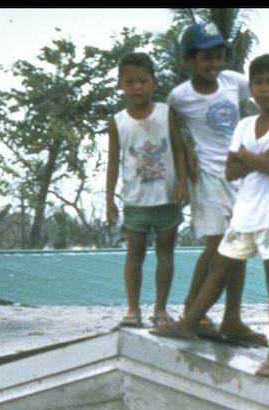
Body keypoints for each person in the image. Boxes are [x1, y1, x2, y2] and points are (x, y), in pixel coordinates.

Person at [151, 54, 269, 379]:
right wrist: (253, 158)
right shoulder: (245, 125)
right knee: (219, 268)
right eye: (258, 83)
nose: (263, 90)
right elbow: (232, 172)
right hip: (245, 213)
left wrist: (247, 155)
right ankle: (189, 324)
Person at [167, 22, 265, 344]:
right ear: (189, 60)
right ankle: (191, 309)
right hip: (207, 177)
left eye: (218, 57)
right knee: (217, 245)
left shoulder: (233, 82)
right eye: (206, 58)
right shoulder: (179, 96)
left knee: (239, 247)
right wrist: (187, 149)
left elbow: (266, 95)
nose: (214, 64)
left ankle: (232, 317)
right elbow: (169, 130)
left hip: (238, 174)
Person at [105, 51, 189, 329]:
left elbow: (179, 148)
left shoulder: (167, 114)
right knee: (134, 254)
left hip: (166, 199)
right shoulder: (118, 121)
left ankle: (161, 309)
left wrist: (182, 184)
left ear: (154, 83)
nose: (137, 87)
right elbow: (113, 162)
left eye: (143, 81)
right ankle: (132, 309)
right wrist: (109, 200)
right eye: (130, 82)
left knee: (166, 254)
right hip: (135, 200)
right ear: (120, 85)